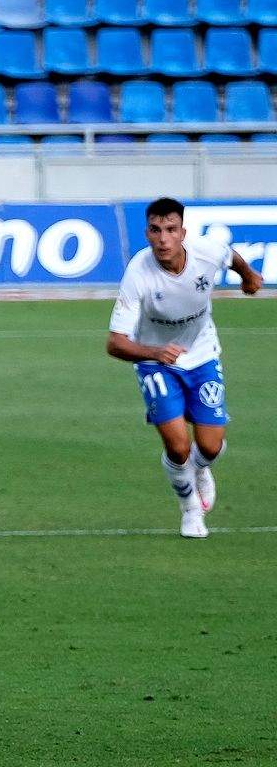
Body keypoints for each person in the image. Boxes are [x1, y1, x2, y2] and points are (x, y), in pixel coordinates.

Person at [106, 196, 263, 539]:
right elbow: (115, 343)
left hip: (203, 354)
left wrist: (249, 275)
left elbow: (229, 256)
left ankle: (201, 469)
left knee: (209, 447)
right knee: (178, 447)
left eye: (171, 229)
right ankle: (190, 509)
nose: (163, 239)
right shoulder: (138, 273)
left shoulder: (206, 251)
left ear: (183, 233)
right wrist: (155, 352)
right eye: (155, 230)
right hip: (155, 363)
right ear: (147, 233)